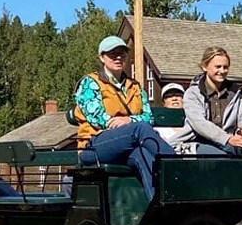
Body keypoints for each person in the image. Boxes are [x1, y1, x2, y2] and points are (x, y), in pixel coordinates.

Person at [73, 36, 176, 201]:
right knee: (140, 128)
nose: (118, 57)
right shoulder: (90, 82)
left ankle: (160, 206)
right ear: (102, 57)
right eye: (113, 54)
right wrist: (132, 124)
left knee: (142, 154)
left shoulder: (134, 86)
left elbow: (148, 116)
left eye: (122, 54)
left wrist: (129, 121)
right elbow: (97, 117)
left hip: (126, 146)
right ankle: (176, 165)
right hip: (93, 146)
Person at [170, 46, 242, 156]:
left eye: (225, 67)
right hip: (202, 141)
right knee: (221, 155)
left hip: (232, 141)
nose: (222, 71)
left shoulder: (233, 92)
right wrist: (227, 139)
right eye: (218, 67)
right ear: (205, 67)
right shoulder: (193, 93)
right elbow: (199, 124)